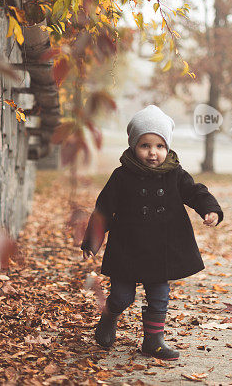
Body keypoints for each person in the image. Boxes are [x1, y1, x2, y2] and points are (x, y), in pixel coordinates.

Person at [80, 105, 223, 360]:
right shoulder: (122, 176)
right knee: (123, 296)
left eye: (159, 146)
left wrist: (209, 210)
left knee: (159, 295)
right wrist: (92, 240)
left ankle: (153, 341)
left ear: (167, 147)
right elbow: (104, 209)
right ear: (134, 146)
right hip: (127, 248)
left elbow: (195, 192)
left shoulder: (174, 174)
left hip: (162, 248)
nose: (153, 152)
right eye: (145, 145)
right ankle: (109, 315)